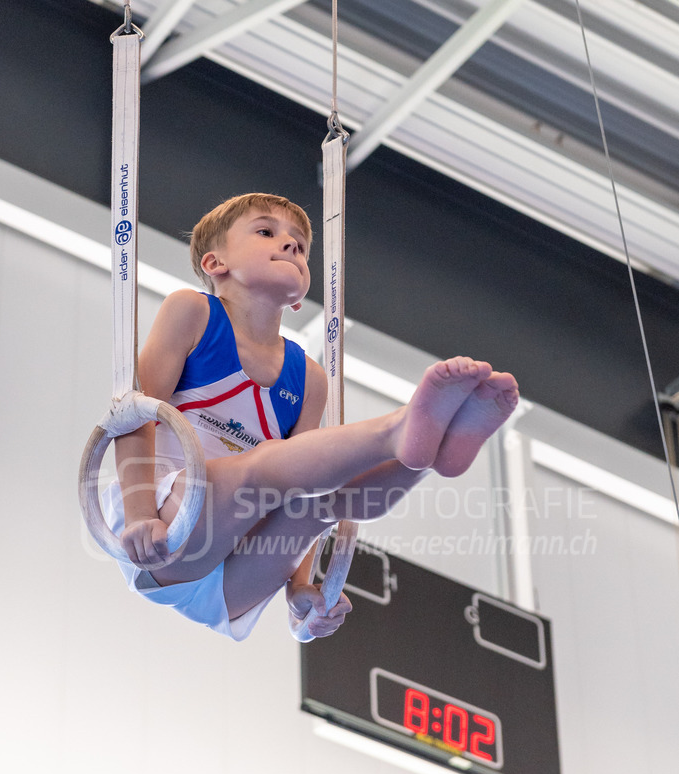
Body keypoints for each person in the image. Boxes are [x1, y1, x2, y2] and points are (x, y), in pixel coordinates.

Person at [104, 193, 519, 641]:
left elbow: (302, 492)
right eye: (267, 232)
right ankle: (401, 431)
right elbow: (135, 416)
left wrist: (300, 589)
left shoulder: (310, 379)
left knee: (320, 502)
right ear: (214, 262)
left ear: (299, 297)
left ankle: (428, 453)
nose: (290, 246)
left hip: (236, 580)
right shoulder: (193, 312)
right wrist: (140, 513)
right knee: (261, 468)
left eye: (300, 246)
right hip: (166, 537)